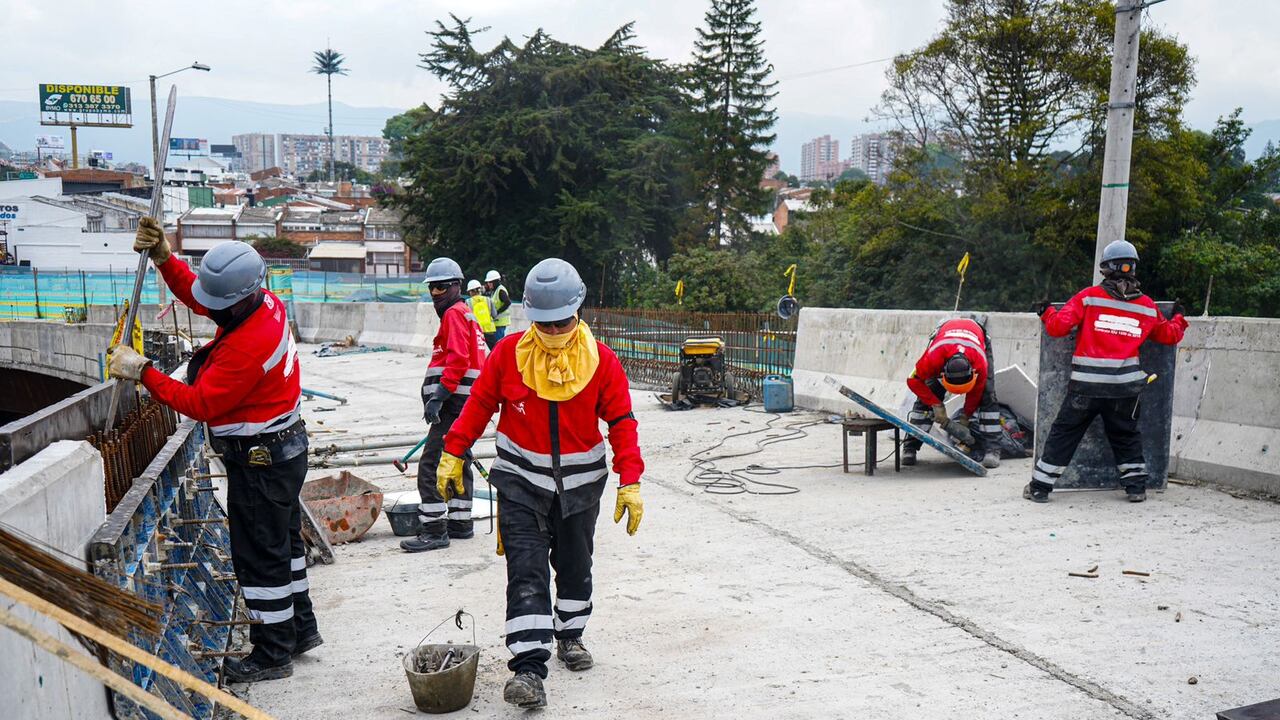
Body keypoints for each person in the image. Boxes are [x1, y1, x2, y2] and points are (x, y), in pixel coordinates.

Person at [108, 218, 319, 683]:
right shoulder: (259, 302)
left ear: (237, 299)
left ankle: (272, 654)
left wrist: (142, 371)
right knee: (282, 547)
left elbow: (198, 403)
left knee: (258, 558)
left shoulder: (247, 344)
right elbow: (203, 297)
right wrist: (166, 259)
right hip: (283, 450)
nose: (210, 308)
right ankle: (299, 630)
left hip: (262, 461)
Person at [439, 258, 644, 709]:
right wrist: (453, 451)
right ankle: (529, 669)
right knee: (526, 571)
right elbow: (477, 406)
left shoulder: (601, 361)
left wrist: (631, 479)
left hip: (580, 487)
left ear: (579, 313)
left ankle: (570, 635)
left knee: (575, 565)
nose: (553, 332)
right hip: (519, 484)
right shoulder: (508, 356)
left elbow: (623, 422)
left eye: (562, 322)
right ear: (530, 317)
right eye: (544, 324)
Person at [1025, 239, 1188, 503]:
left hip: (1085, 388)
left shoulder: (1088, 297)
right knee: (1126, 437)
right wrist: (1179, 317)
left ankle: (1040, 488)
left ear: (1105, 268)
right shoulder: (1146, 305)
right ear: (1132, 268)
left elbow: (1058, 328)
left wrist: (1046, 312)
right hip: (1124, 390)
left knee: (1064, 435)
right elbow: (1169, 335)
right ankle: (1136, 489)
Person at [401, 258, 489, 552]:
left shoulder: (453, 314)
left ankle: (434, 529)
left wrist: (438, 396)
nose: (435, 293)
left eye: (441, 287)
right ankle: (461, 523)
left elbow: (458, 360)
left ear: (456, 286)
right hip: (465, 403)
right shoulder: (467, 315)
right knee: (458, 458)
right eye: (432, 288)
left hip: (452, 403)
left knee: (431, 465)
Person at [903, 316, 1003, 469]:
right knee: (929, 392)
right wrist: (935, 403)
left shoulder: (980, 362)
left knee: (987, 395)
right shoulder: (933, 358)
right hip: (943, 338)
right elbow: (912, 380)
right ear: (942, 374)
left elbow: (976, 392)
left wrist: (965, 417)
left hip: (977, 337)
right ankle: (910, 446)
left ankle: (993, 450)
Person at [466, 278, 499, 349]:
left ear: (470, 291)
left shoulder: (468, 302)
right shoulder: (488, 300)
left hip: (475, 331)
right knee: (495, 350)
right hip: (489, 329)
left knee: (477, 352)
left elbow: (467, 318)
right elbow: (494, 315)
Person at [484, 270, 513, 341]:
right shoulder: (494, 291)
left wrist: (497, 312)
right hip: (496, 323)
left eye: (490, 282)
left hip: (500, 323)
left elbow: (508, 302)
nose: (489, 284)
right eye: (488, 282)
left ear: (495, 281)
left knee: (497, 344)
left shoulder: (500, 290)